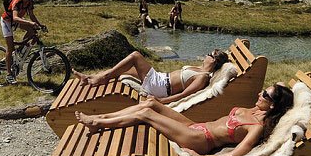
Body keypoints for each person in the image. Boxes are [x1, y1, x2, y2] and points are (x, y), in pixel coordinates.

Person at [76, 83, 294, 156]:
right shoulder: (255, 109)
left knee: (145, 115)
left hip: (200, 140)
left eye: (265, 94)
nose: (259, 93)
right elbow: (284, 90)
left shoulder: (255, 128)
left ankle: (99, 123)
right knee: (150, 103)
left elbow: (233, 155)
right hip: (195, 126)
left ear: (273, 106)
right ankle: (104, 118)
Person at [73, 49, 230, 104]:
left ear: (214, 60)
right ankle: (90, 78)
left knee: (135, 56)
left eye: (209, 54)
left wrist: (161, 101)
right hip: (160, 79)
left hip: (160, 87)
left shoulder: (203, 77)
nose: (206, 55)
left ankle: (101, 78)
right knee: (120, 69)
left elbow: (184, 95)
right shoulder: (199, 68)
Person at [1, 0, 44, 84]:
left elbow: (32, 15)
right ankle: (9, 75)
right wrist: (30, 23)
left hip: (17, 20)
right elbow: (15, 18)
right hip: (7, 21)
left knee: (32, 31)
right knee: (10, 48)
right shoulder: (17, 1)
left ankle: (20, 50)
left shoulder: (29, 1)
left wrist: (39, 24)